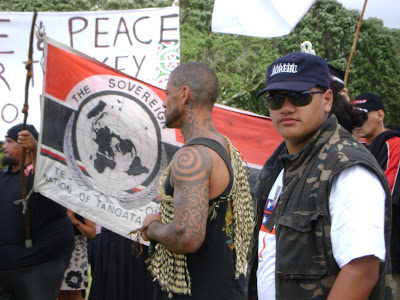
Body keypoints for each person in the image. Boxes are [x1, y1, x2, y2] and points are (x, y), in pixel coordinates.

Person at [247, 53, 392, 299]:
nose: (286, 107)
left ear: (327, 100)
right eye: (275, 99)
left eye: (299, 96)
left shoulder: (347, 167)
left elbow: (362, 271)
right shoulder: (282, 166)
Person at [135, 62, 254, 299]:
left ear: (184, 94)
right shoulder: (224, 146)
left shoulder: (193, 156)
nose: (163, 102)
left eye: (167, 94)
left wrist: (152, 227)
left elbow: (187, 237)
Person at [0, 124, 75, 299]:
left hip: (37, 265)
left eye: (10, 142)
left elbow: (52, 194)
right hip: (4, 269)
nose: (4, 146)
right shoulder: (3, 177)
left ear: (25, 145)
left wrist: (35, 150)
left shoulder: (44, 178)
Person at [352, 92, 400, 298]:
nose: (358, 122)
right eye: (354, 116)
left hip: (390, 250)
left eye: (363, 115)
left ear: (380, 115)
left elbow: (385, 196)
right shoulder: (359, 147)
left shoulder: (393, 143)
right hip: (362, 251)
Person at [58, 210, 96, 300]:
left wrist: (75, 221)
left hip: (76, 254)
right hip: (56, 251)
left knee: (74, 293)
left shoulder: (80, 203)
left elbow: (92, 233)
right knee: (60, 293)